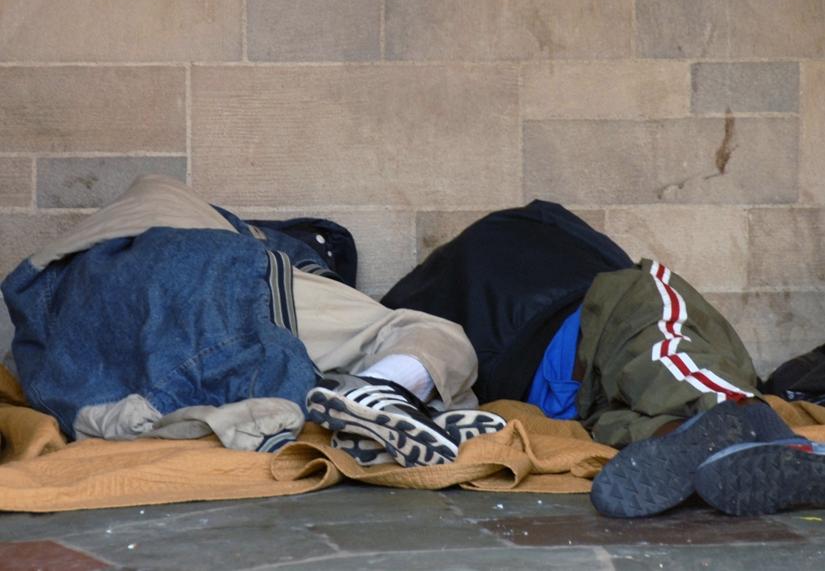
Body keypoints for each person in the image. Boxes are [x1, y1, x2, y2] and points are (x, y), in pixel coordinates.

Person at [1, 175, 504, 467]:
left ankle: (359, 407)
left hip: (83, 353)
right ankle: (379, 391)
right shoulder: (248, 248)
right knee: (436, 336)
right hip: (204, 275)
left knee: (183, 404)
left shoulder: (49, 308)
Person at [381, 200, 825, 517]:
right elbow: (599, 260)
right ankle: (747, 424)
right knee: (665, 350)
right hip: (584, 343)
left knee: (645, 402)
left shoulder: (410, 309)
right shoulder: (521, 236)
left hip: (567, 387)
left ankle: (718, 438)